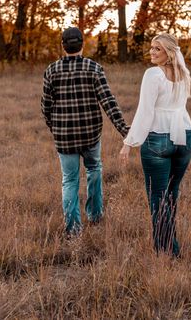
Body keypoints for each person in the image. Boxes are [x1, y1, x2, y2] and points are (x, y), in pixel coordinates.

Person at [41, 27, 129, 237]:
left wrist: (56, 129)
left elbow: (46, 107)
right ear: (82, 44)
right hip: (90, 136)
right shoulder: (94, 68)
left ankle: (73, 230)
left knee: (69, 180)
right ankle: (96, 216)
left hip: (64, 139)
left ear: (63, 45)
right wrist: (124, 130)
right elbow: (108, 102)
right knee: (94, 170)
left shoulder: (51, 70)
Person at [120, 33, 191, 257]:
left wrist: (129, 143)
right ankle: (172, 246)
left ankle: (166, 251)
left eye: (158, 49)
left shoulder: (153, 74)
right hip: (185, 135)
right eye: (152, 47)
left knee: (158, 198)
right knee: (171, 194)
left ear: (169, 53)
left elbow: (145, 111)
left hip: (159, 137)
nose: (152, 52)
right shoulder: (184, 74)